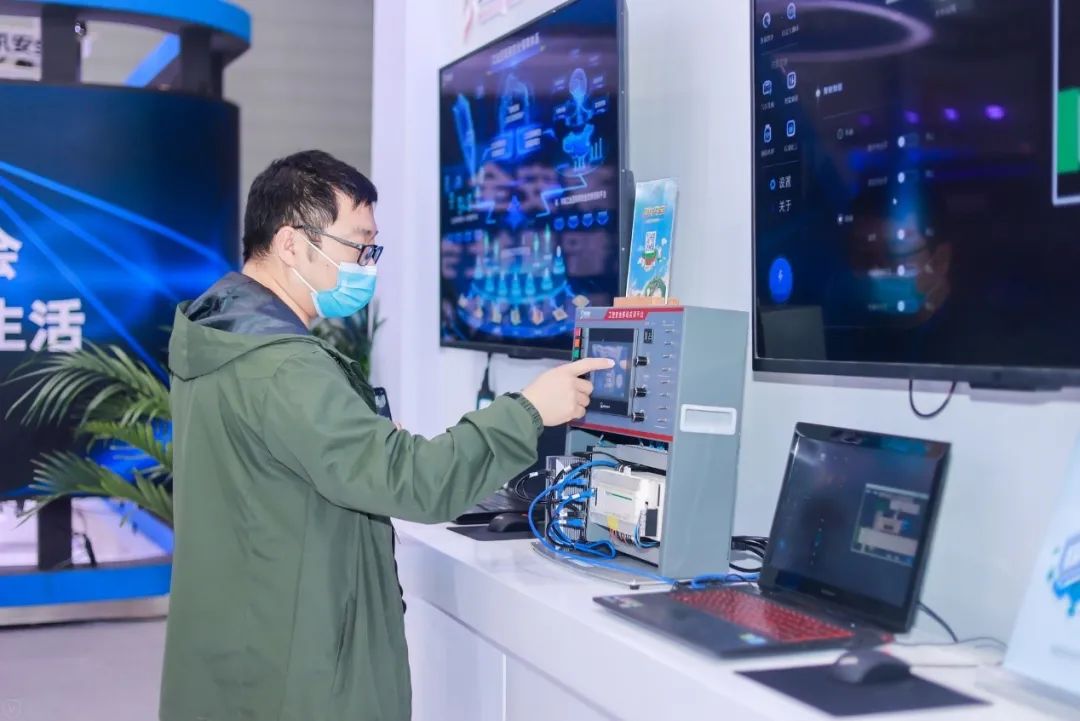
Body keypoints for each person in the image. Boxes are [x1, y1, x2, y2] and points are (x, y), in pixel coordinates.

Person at [159, 150, 611, 721]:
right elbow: (414, 483)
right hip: (297, 671)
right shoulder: (282, 365)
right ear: (291, 243)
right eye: (359, 246)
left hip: (244, 641)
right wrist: (529, 410)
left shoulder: (218, 335)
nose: (367, 266)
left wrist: (360, 438)